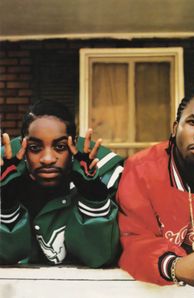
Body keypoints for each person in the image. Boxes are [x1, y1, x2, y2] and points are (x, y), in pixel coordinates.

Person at [117, 88, 194, 297]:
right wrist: (176, 266)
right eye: (193, 122)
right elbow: (132, 241)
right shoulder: (140, 169)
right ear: (175, 128)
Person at [0, 99, 123, 266]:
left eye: (60, 147)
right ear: (23, 147)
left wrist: (93, 197)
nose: (48, 159)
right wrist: (7, 203)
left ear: (73, 145)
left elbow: (100, 256)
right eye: (35, 148)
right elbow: (6, 258)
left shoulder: (108, 175)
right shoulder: (5, 171)